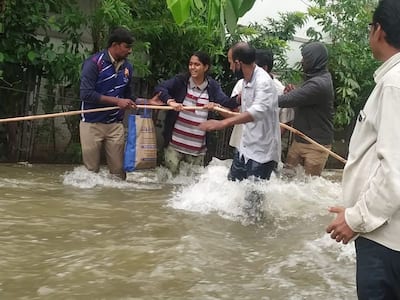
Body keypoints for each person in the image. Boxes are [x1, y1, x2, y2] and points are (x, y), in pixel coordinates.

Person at [326, 0, 400, 298]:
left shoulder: (394, 84)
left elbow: (395, 170)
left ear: (378, 30)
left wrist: (356, 218)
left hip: (385, 240)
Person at [79, 27, 161, 180]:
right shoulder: (94, 63)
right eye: (127, 46)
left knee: (118, 174)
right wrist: (117, 101)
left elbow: (128, 96)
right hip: (91, 123)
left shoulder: (127, 68)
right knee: (90, 173)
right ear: (115, 45)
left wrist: (147, 102)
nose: (130, 51)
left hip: (115, 124)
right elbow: (86, 94)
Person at [199, 42, 281, 181]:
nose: (230, 68)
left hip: (262, 153)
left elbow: (257, 112)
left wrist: (222, 123)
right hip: (244, 148)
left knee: (253, 200)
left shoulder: (263, 82)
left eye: (231, 63)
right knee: (232, 187)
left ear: (238, 63)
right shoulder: (245, 81)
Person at [154, 51, 239, 174]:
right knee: (167, 184)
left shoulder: (213, 87)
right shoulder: (181, 81)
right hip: (174, 146)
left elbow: (226, 101)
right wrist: (170, 102)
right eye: (190, 64)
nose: (192, 67)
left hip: (197, 150)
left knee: (190, 188)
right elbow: (160, 88)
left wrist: (237, 99)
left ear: (205, 67)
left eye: (197, 64)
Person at [278, 41, 334, 176]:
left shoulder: (319, 83)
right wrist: (296, 93)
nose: (302, 62)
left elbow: (285, 101)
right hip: (301, 140)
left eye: (306, 58)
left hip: (316, 145)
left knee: (309, 187)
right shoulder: (317, 78)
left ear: (314, 60)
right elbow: (304, 99)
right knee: (288, 178)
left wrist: (260, 99)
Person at [229, 49, 293, 151]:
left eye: (254, 66)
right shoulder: (242, 83)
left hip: (264, 150)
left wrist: (270, 143)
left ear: (264, 68)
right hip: (241, 143)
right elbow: (233, 109)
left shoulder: (281, 90)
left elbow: (284, 122)